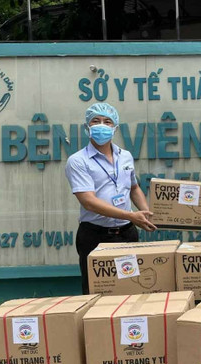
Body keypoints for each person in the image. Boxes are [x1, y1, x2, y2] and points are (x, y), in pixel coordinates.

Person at [65, 103, 156, 295]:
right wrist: (131, 215)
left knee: (131, 288)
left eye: (107, 121)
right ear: (87, 127)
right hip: (95, 237)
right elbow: (88, 201)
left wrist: (145, 213)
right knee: (97, 292)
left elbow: (134, 187)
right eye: (95, 121)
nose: (101, 125)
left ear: (115, 128)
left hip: (127, 233)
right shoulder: (78, 160)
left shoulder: (126, 156)